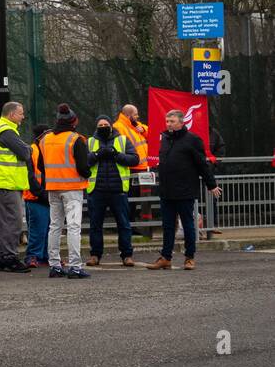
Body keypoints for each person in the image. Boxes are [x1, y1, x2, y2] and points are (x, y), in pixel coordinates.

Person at [146, 109, 220, 271]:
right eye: (167, 121)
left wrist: (211, 184)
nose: (169, 124)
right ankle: (166, 257)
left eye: (172, 121)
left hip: (185, 190)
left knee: (188, 225)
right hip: (166, 191)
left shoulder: (192, 140)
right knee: (167, 226)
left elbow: (202, 165)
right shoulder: (164, 138)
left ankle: (189, 257)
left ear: (181, 122)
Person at [36, 103, 92, 279]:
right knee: (74, 227)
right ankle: (75, 267)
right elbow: (83, 167)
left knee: (55, 226)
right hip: (72, 189)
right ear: (73, 122)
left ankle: (55, 265)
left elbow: (40, 166)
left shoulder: (45, 139)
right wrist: (88, 174)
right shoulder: (76, 139)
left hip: (53, 187)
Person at [0, 101, 32, 273]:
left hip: (2, 183)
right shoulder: (6, 131)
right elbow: (25, 153)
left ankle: (5, 257)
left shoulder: (2, 128)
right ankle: (9, 258)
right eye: (21, 113)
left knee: (7, 222)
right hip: (4, 183)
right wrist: (29, 148)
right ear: (11, 115)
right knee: (13, 221)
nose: (23, 117)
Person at [85, 115, 139, 267]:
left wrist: (117, 155)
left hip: (118, 190)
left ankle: (127, 255)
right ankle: (95, 255)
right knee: (95, 225)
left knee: (124, 224)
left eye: (105, 124)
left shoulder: (122, 140)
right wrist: (97, 155)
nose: (103, 126)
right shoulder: (90, 142)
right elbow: (83, 162)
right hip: (97, 190)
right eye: (100, 124)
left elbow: (134, 159)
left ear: (111, 125)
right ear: (96, 127)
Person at [23, 124, 50, 268]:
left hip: (44, 195)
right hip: (36, 196)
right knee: (38, 229)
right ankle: (32, 256)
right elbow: (30, 176)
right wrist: (41, 193)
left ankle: (45, 256)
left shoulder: (45, 151)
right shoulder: (32, 151)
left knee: (47, 229)